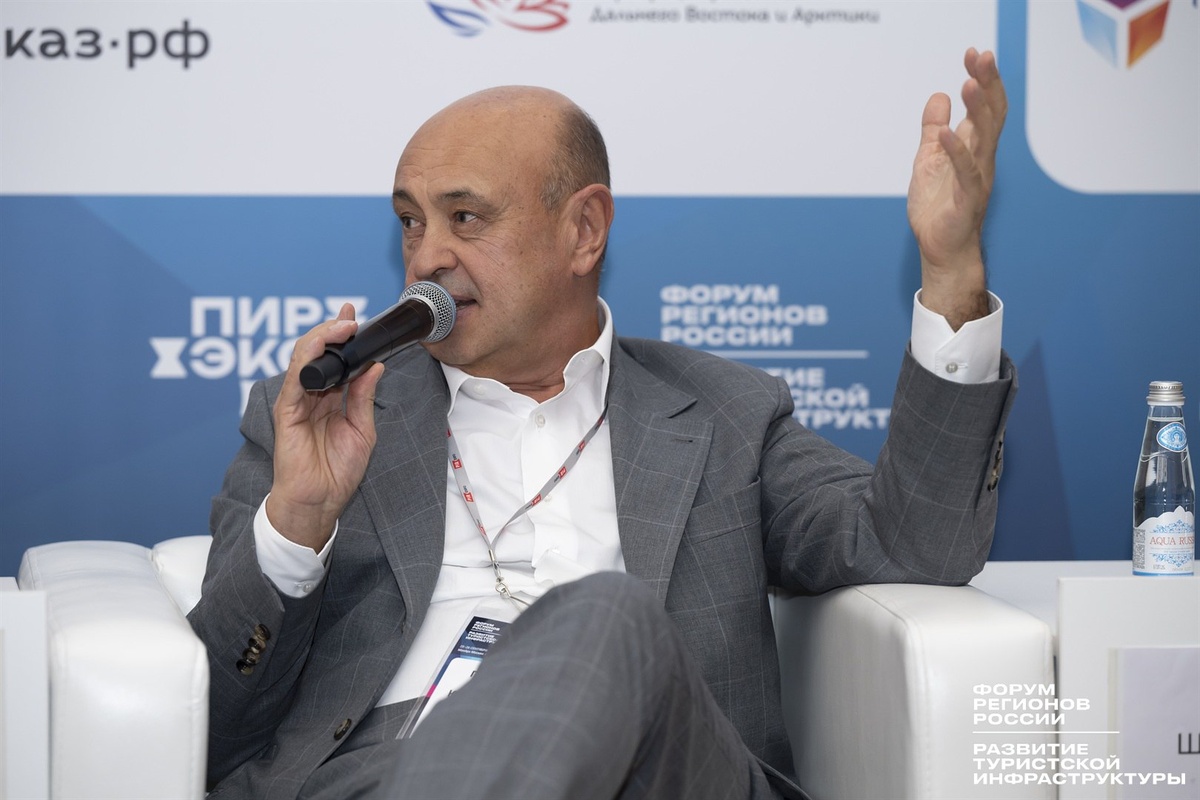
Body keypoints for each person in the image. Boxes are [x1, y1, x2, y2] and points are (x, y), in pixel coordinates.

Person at [190, 47, 1014, 800]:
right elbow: (214, 723)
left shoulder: (725, 414)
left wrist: (951, 274)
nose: (427, 256)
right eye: (411, 220)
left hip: (664, 771)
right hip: (391, 773)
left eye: (465, 217)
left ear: (583, 231)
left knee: (606, 618)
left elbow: (916, 545)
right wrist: (299, 521)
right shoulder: (321, 421)